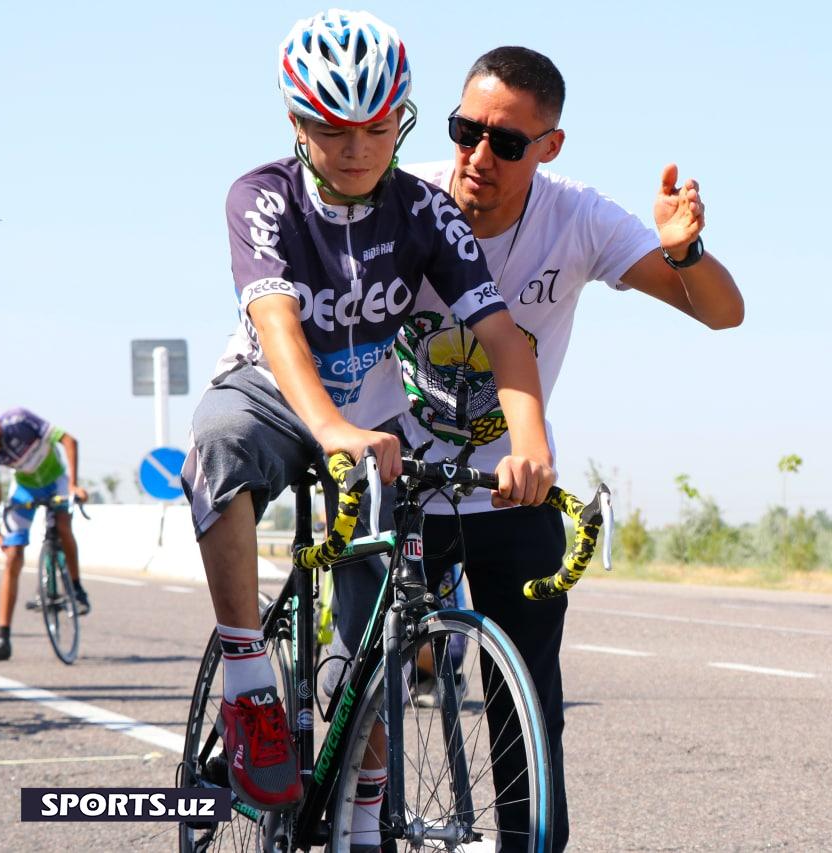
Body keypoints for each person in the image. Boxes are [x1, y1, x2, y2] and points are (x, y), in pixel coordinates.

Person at [329, 46, 743, 850]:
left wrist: (684, 251)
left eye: (508, 142)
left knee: (527, 707)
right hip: (392, 482)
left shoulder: (577, 218)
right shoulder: (398, 197)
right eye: (466, 131)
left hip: (510, 487)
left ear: (549, 146)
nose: (479, 156)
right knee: (362, 689)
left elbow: (721, 313)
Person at [179, 10, 555, 816]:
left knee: (379, 625)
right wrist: (332, 429)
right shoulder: (261, 196)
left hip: (372, 420)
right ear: (296, 122)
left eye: (377, 129)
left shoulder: (426, 211)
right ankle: (249, 684)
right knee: (218, 439)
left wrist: (529, 443)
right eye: (331, 129)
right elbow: (278, 324)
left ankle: (361, 805)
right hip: (272, 393)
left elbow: (502, 337)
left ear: (402, 121)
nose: (356, 150)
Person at [0, 406, 91, 661]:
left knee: (63, 525)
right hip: (25, 488)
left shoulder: (20, 420)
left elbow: (69, 440)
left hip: (56, 481)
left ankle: (77, 589)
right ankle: (3, 638)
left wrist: (73, 485)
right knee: (12, 556)